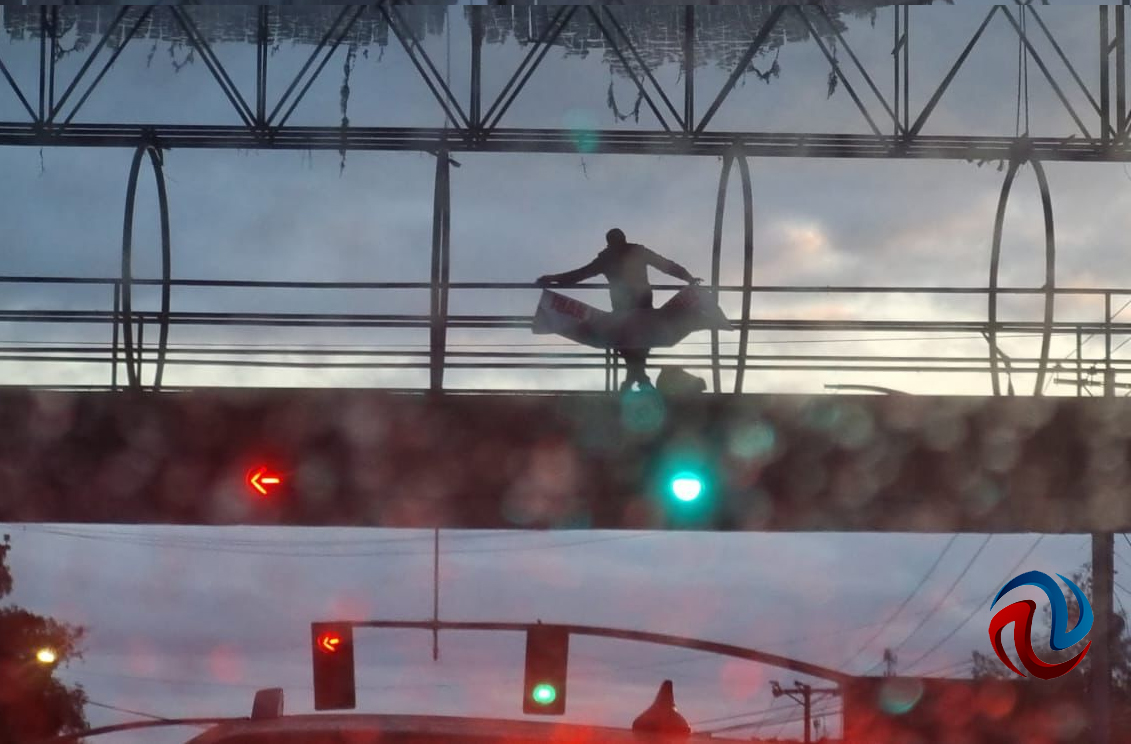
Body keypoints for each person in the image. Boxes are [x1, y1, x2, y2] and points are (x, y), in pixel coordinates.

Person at [536, 228, 701, 391]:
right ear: (623, 239)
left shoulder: (608, 258)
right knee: (639, 344)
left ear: (609, 243)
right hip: (641, 308)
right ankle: (638, 381)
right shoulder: (635, 252)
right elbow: (666, 265)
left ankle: (635, 381)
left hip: (624, 310)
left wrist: (552, 279)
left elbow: (579, 275)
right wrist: (688, 277)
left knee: (629, 344)